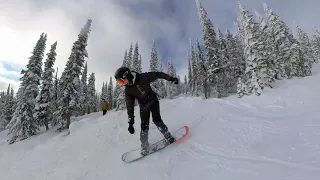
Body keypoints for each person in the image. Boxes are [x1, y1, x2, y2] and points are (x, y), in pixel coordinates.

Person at [114, 66, 179, 155]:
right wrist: (131, 123)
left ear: (127, 75)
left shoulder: (142, 77)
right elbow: (130, 107)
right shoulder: (128, 91)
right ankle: (144, 146)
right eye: (119, 82)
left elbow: (158, 74)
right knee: (144, 126)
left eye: (121, 81)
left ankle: (168, 137)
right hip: (144, 107)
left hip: (153, 102)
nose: (121, 83)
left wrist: (171, 78)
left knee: (157, 121)